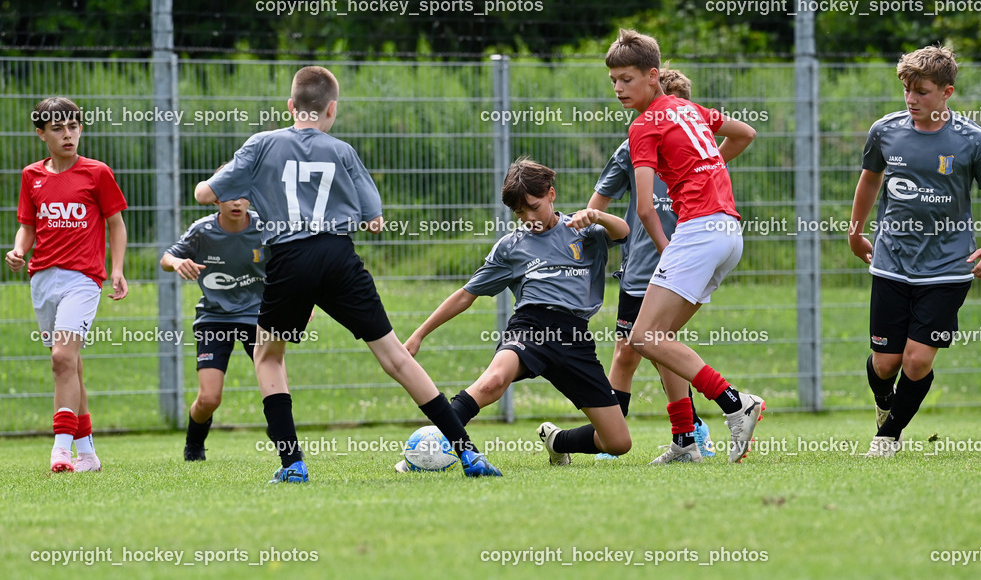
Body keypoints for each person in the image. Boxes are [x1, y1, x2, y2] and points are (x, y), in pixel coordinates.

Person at [194, 65, 501, 481]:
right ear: (332, 109)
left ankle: (293, 465)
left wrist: (250, 183)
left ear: (291, 106)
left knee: (268, 355)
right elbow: (374, 219)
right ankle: (469, 455)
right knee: (395, 357)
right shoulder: (342, 151)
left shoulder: (262, 144)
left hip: (288, 257)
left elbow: (205, 193)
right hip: (338, 256)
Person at [402, 157, 631, 468]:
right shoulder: (511, 247)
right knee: (492, 382)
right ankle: (424, 452)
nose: (528, 218)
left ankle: (558, 442)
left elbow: (623, 232)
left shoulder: (583, 229)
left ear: (551, 194)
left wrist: (598, 215)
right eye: (520, 213)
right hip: (530, 328)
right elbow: (465, 295)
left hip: (574, 337)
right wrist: (419, 335)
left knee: (618, 442)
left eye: (534, 207)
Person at [605, 28, 764, 463]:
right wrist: (705, 166)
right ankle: (684, 441)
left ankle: (735, 403)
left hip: (696, 234)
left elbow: (644, 209)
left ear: (653, 75)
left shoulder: (642, 126)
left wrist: (665, 248)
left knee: (642, 337)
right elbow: (745, 133)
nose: (618, 88)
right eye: (614, 80)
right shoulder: (689, 109)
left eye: (627, 79)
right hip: (728, 233)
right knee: (661, 338)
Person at [848, 45, 981, 457]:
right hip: (891, 262)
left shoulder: (973, 141)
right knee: (885, 364)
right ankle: (885, 403)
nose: (911, 99)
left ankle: (888, 437)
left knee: (917, 361)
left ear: (946, 92)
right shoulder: (885, 131)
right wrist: (855, 232)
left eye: (921, 91)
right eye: (907, 90)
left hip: (948, 268)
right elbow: (869, 181)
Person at [588, 68, 717, 463]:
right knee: (628, 353)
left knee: (659, 345)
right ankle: (614, 437)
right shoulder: (633, 147)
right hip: (641, 269)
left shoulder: (699, 146)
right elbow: (597, 208)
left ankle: (691, 431)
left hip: (682, 264)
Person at [6, 97, 129, 473]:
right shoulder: (31, 176)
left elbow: (116, 224)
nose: (67, 134)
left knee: (61, 358)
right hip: (43, 279)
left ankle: (60, 449)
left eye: (73, 126)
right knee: (69, 365)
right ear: (41, 134)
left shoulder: (97, 173)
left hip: (83, 279)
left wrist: (117, 269)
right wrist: (18, 250)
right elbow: (28, 226)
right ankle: (87, 455)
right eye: (57, 128)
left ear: (81, 129)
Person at [161, 192, 264, 462]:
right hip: (214, 319)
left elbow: (290, 264)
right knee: (209, 399)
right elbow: (166, 259)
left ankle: (288, 449)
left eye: (242, 196)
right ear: (216, 200)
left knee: (275, 390)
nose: (236, 202)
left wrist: (301, 300)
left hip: (259, 317)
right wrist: (177, 262)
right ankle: (194, 444)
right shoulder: (202, 230)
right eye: (229, 196)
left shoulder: (266, 227)